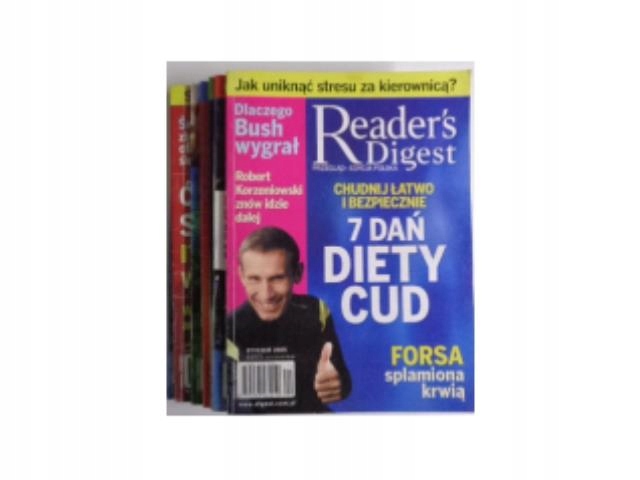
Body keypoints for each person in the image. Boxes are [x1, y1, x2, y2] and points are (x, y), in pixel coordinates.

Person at [227, 227, 351, 413]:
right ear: (241, 276)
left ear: (298, 273)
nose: (266, 294)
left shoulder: (315, 310)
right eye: (254, 279)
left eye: (277, 278)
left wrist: (335, 385)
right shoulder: (231, 328)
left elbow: (344, 383)